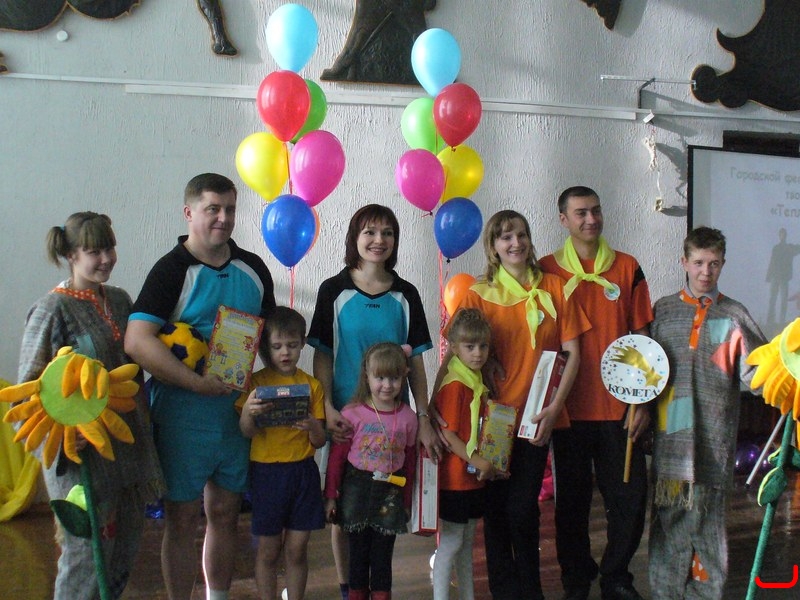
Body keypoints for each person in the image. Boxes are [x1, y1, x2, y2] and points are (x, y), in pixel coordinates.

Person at [124, 173, 276, 600]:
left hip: (235, 417)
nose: (223, 218)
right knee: (182, 518)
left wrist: (284, 391)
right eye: (213, 209)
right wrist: (196, 382)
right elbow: (136, 341)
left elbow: (271, 340)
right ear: (189, 213)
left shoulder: (253, 268)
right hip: (182, 417)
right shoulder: (171, 270)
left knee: (225, 513)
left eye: (230, 209)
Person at [16, 212, 163, 600]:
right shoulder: (51, 310)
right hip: (81, 460)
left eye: (109, 248)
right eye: (94, 251)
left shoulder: (120, 301)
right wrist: (61, 434)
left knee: (121, 560)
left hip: (129, 452)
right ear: (70, 255)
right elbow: (27, 393)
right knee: (85, 562)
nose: (106, 258)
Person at [452, 210, 588, 600]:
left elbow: (573, 354)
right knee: (495, 511)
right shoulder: (477, 294)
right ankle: (504, 592)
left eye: (522, 235)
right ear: (493, 246)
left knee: (523, 509)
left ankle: (531, 591)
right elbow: (458, 355)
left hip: (536, 418)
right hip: (494, 419)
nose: (516, 243)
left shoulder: (554, 287)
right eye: (506, 237)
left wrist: (555, 407)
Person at [307, 203, 437, 600]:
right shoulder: (333, 290)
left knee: (384, 513)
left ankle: (378, 588)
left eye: (387, 233)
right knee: (343, 512)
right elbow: (323, 355)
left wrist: (423, 416)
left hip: (392, 425)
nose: (379, 240)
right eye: (370, 232)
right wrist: (327, 408)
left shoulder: (406, 294)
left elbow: (416, 363)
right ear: (355, 238)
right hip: (347, 422)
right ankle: (349, 588)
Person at [539, 186, 653, 600]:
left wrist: (643, 402)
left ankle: (617, 576)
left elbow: (643, 339)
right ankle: (576, 576)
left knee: (630, 499)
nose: (591, 219)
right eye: (581, 213)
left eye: (596, 211)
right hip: (567, 411)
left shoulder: (627, 267)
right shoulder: (546, 269)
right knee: (571, 505)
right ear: (563, 220)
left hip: (619, 409)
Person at [648, 227, 766, 599]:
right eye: (698, 262)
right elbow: (645, 371)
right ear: (684, 262)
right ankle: (666, 592)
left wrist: (786, 375)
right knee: (669, 518)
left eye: (714, 264)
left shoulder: (734, 314)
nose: (705, 272)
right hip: (671, 438)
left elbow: (757, 374)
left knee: (708, 522)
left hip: (713, 438)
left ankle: (705, 593)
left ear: (723, 264)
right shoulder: (663, 310)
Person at [237, 307, 326, 600]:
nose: (285, 352)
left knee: (298, 549)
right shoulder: (256, 384)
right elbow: (246, 432)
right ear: (266, 347)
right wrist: (248, 411)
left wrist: (313, 425)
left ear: (302, 344)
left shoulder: (312, 386)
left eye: (292, 345)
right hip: (267, 473)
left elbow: (319, 441)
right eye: (277, 346)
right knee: (268, 550)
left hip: (303, 472)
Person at [323, 342, 418, 600]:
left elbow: (410, 463)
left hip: (390, 493)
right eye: (380, 378)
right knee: (357, 554)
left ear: (404, 377)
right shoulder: (352, 413)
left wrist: (407, 501)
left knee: (382, 557)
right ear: (367, 376)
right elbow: (337, 459)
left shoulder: (409, 418)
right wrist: (331, 496)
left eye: (394, 378)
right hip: (355, 491)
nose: (387, 385)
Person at [431, 307, 497, 600]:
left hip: (471, 478)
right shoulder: (456, 385)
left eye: (483, 346)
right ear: (454, 348)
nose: (478, 353)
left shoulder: (476, 381)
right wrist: (478, 461)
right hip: (455, 479)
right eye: (470, 347)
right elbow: (448, 435)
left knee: (467, 543)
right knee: (451, 543)